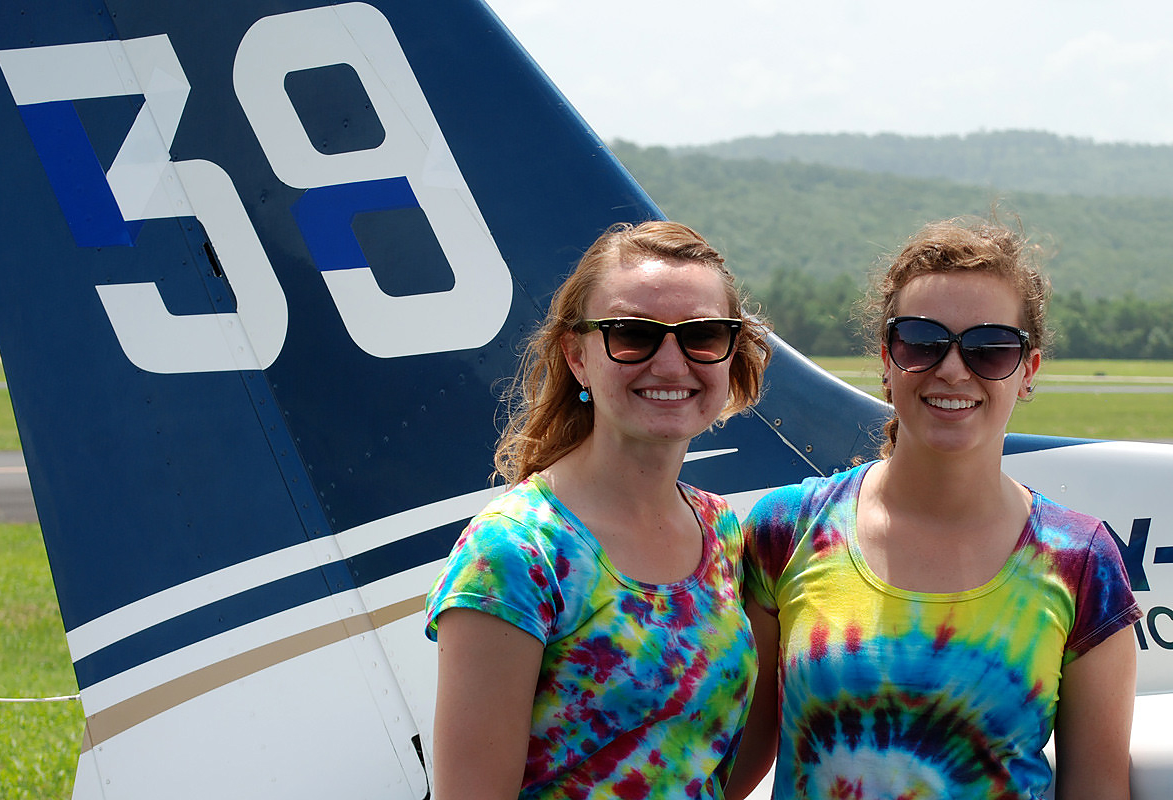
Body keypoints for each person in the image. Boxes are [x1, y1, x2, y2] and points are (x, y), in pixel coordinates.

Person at [729, 218, 1141, 800]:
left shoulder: (1081, 564)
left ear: (1028, 372)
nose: (953, 369)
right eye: (922, 341)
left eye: (990, 349)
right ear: (887, 361)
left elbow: (1098, 789)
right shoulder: (786, 532)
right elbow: (730, 765)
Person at [424, 220, 773, 800]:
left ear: (731, 354)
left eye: (704, 335)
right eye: (632, 334)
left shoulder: (724, 533)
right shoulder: (515, 552)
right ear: (577, 356)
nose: (670, 363)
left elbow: (713, 764)